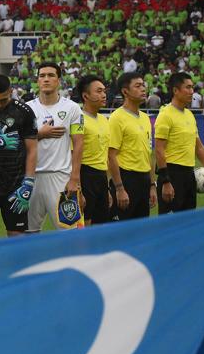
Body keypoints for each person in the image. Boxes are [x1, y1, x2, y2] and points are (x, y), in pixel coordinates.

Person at [26, 62, 84, 232]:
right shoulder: (26, 108)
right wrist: (39, 134)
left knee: (71, 231)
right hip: (31, 178)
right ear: (37, 80)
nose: (46, 79)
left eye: (51, 75)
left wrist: (74, 179)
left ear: (59, 80)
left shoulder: (73, 108)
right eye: (42, 76)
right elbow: (19, 141)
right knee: (28, 232)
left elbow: (79, 143)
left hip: (61, 178)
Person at [0, 74, 38, 239]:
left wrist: (28, 183)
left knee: (17, 236)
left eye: (3, 100)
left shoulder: (24, 111)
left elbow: (32, 149)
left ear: (11, 92)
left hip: (15, 185)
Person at [154, 72, 204, 214]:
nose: (192, 92)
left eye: (193, 88)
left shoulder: (190, 115)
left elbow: (199, 147)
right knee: (170, 223)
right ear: (175, 90)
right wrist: (166, 181)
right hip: (172, 174)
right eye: (188, 87)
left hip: (189, 175)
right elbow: (159, 150)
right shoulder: (165, 114)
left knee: (188, 221)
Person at [108, 72, 155, 220]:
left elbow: (148, 154)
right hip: (126, 179)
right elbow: (111, 155)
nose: (143, 89)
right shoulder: (117, 118)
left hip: (144, 180)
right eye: (138, 86)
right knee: (122, 230)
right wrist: (119, 188)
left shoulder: (145, 118)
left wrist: (152, 185)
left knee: (142, 229)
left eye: (143, 85)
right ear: (125, 91)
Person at [77, 75, 113, 225]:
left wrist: (107, 188)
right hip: (85, 176)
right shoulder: (78, 119)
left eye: (104, 91)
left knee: (101, 225)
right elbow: (73, 156)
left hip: (101, 178)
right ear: (85, 96)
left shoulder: (104, 120)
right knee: (84, 225)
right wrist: (78, 190)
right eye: (98, 91)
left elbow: (106, 155)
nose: (104, 95)